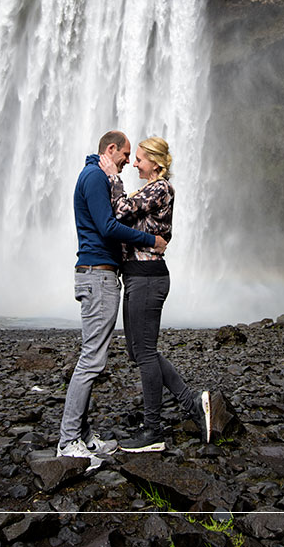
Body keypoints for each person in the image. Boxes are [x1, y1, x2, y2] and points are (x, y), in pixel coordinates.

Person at [57, 130, 168, 460]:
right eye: (126, 154)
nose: (128, 162)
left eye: (135, 157)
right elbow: (107, 227)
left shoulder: (96, 176)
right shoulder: (94, 176)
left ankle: (84, 435)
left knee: (95, 357)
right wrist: (152, 241)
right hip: (96, 276)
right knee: (91, 359)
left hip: (101, 275)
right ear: (110, 149)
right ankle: (68, 440)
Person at [100, 136, 211, 452]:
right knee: (138, 352)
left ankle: (153, 431)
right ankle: (190, 403)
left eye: (139, 159)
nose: (134, 163)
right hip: (137, 276)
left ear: (157, 163)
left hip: (148, 277)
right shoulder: (149, 189)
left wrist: (112, 176)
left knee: (145, 352)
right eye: (131, 158)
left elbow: (120, 211)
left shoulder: (160, 188)